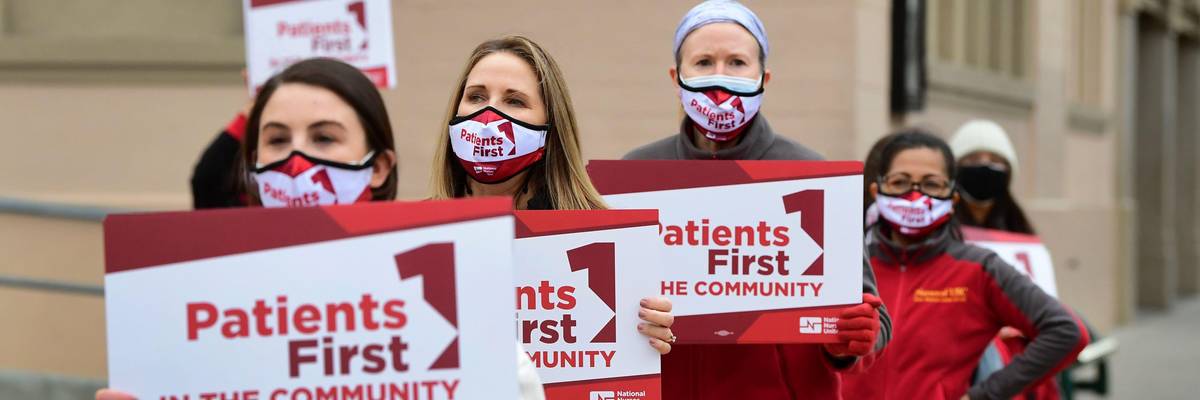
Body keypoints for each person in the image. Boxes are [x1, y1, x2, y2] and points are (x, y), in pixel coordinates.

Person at [98, 58, 543, 400]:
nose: (297, 161)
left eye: (324, 137)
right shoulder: (201, 316)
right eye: (275, 140)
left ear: (379, 167)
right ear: (252, 166)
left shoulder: (451, 305)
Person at [623, 1, 890, 399]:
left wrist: (850, 339)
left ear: (763, 77)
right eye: (703, 61)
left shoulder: (813, 176)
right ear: (676, 77)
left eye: (736, 62)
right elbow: (610, 310)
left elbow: (872, 318)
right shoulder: (634, 176)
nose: (720, 77)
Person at [428, 35, 677, 355]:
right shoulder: (417, 234)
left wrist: (652, 334)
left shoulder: (606, 239)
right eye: (476, 96)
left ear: (550, 127)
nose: (488, 117)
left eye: (514, 100)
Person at [842, 129, 1088, 400]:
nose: (915, 195)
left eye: (931, 184)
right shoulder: (845, 264)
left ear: (952, 197)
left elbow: (1067, 332)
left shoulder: (980, 269)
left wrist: (984, 395)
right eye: (900, 182)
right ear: (877, 191)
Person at [950, 119, 1105, 399]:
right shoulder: (943, 228)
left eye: (996, 161)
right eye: (973, 159)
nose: (985, 166)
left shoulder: (1018, 227)